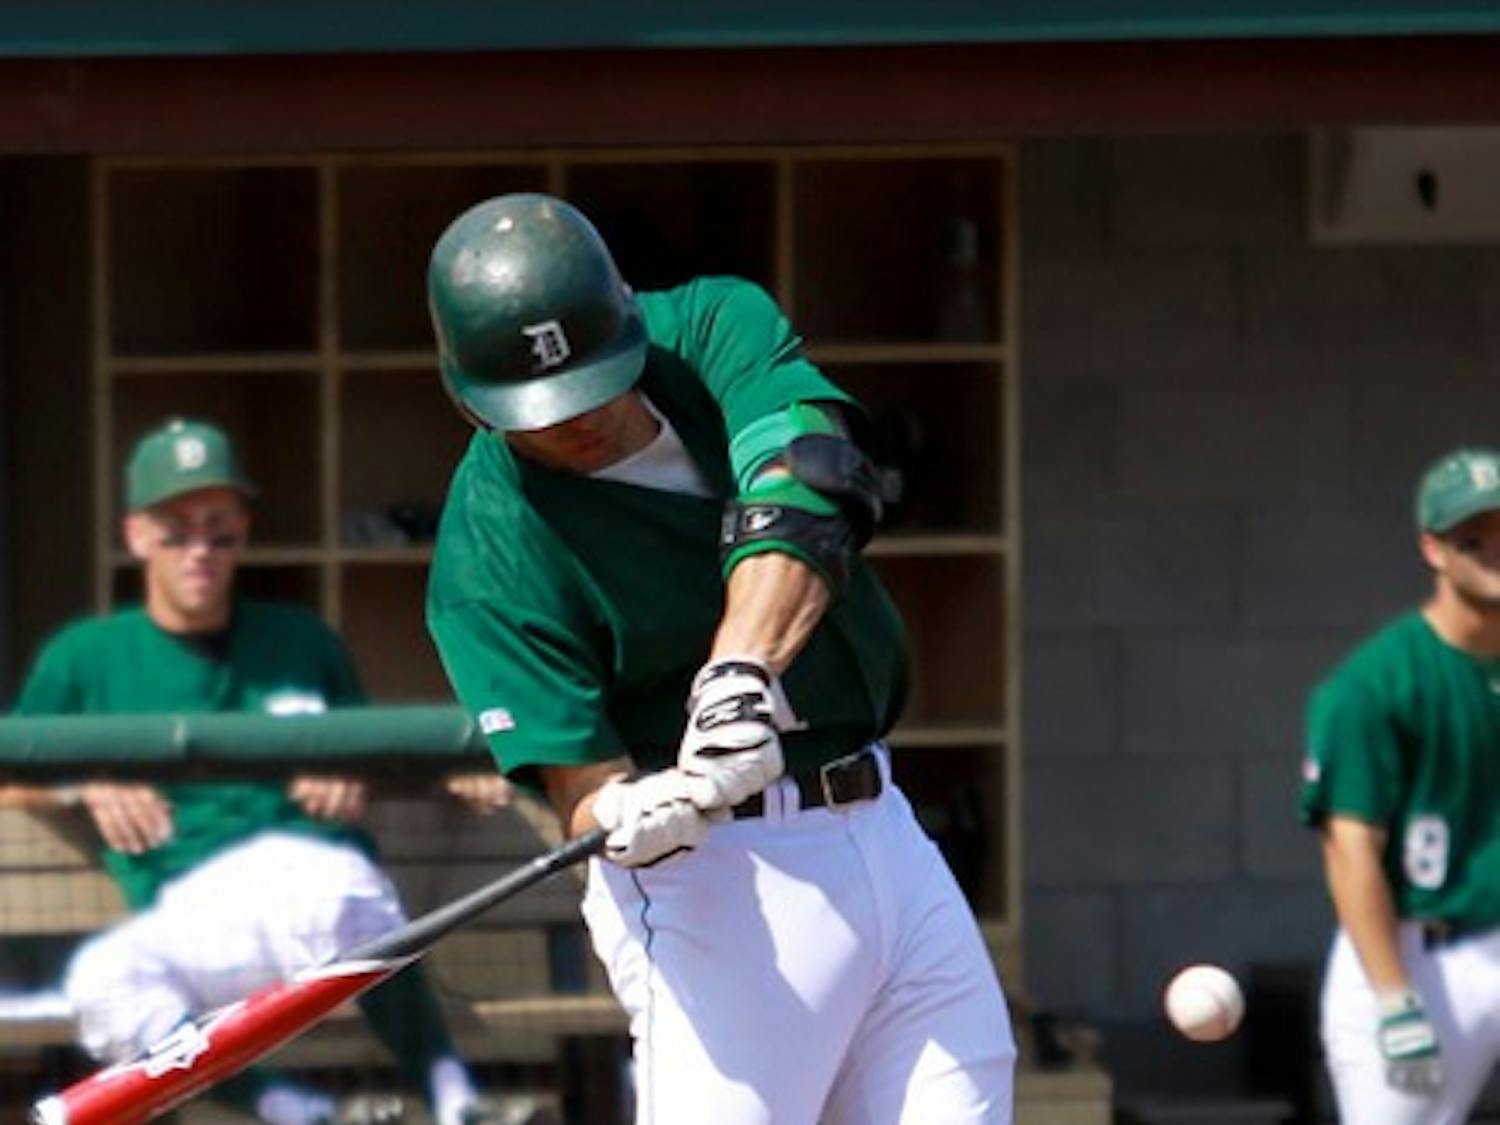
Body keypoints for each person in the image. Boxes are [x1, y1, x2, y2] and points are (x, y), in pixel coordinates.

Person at [423, 192, 1016, 1124]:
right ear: (469, 395)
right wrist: (624, 810)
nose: (577, 417)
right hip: (714, 885)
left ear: (626, 318)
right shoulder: (487, 551)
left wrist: (736, 679)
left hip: (884, 829)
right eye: (543, 405)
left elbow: (812, 480)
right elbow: (581, 783)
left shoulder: (707, 327)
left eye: (593, 377)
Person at [9, 417, 535, 1125]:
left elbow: (380, 753)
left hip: (310, 886)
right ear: (136, 535)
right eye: (176, 532)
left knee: (344, 892)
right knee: (102, 981)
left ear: (242, 533)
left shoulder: (300, 639)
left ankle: (455, 1099)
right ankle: (297, 1112)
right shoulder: (86, 656)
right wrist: (82, 783)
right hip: (190, 914)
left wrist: (407, 771)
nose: (200, 551)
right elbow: (10, 775)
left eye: (218, 531)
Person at [1301, 446, 1500, 1125]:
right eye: (1474, 537)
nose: (1495, 551)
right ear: (1433, 548)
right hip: (1418, 954)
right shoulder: (1376, 683)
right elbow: (1349, 847)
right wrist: (1393, 994)